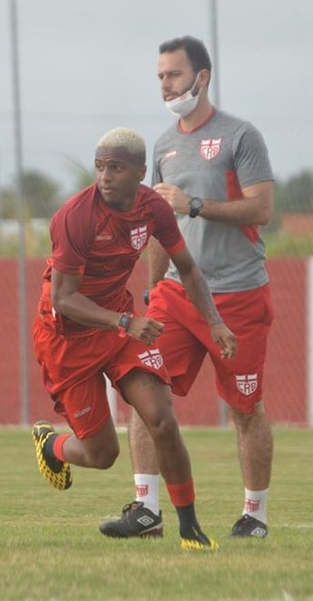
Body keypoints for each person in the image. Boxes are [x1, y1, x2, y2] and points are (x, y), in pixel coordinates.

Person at [98, 35, 276, 540]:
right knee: (141, 389)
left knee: (245, 408)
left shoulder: (241, 136)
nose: (166, 85)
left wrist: (193, 204)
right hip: (176, 295)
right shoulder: (162, 146)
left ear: (202, 77)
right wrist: (153, 289)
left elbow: (262, 208)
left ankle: (254, 515)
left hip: (238, 294)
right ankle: (146, 510)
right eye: (160, 76)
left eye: (174, 74)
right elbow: (160, 227)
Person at [30, 126, 238, 551]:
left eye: (116, 168)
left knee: (161, 419)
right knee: (102, 455)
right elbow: (64, 299)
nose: (105, 177)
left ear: (141, 173)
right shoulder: (75, 217)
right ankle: (53, 446)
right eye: (99, 167)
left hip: (118, 329)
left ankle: (190, 530)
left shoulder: (152, 208)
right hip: (68, 339)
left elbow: (188, 268)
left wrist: (215, 322)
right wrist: (125, 322)